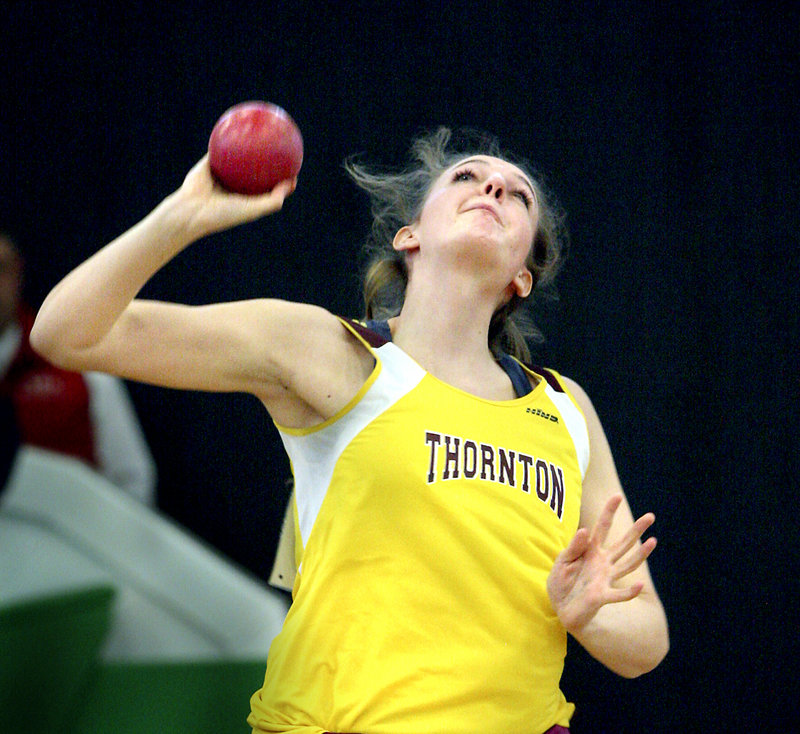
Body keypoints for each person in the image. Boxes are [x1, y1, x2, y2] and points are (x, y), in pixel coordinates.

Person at [31, 127, 669, 733]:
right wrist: (184, 215)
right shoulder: (330, 354)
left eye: (518, 193)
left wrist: (585, 618)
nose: (494, 189)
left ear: (522, 277)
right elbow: (62, 335)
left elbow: (646, 641)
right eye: (467, 178)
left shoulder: (564, 408)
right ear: (409, 235)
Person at [0, 232, 157, 504]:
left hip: (62, 534)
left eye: (0, 269)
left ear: (17, 274)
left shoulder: (75, 361)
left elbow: (134, 480)